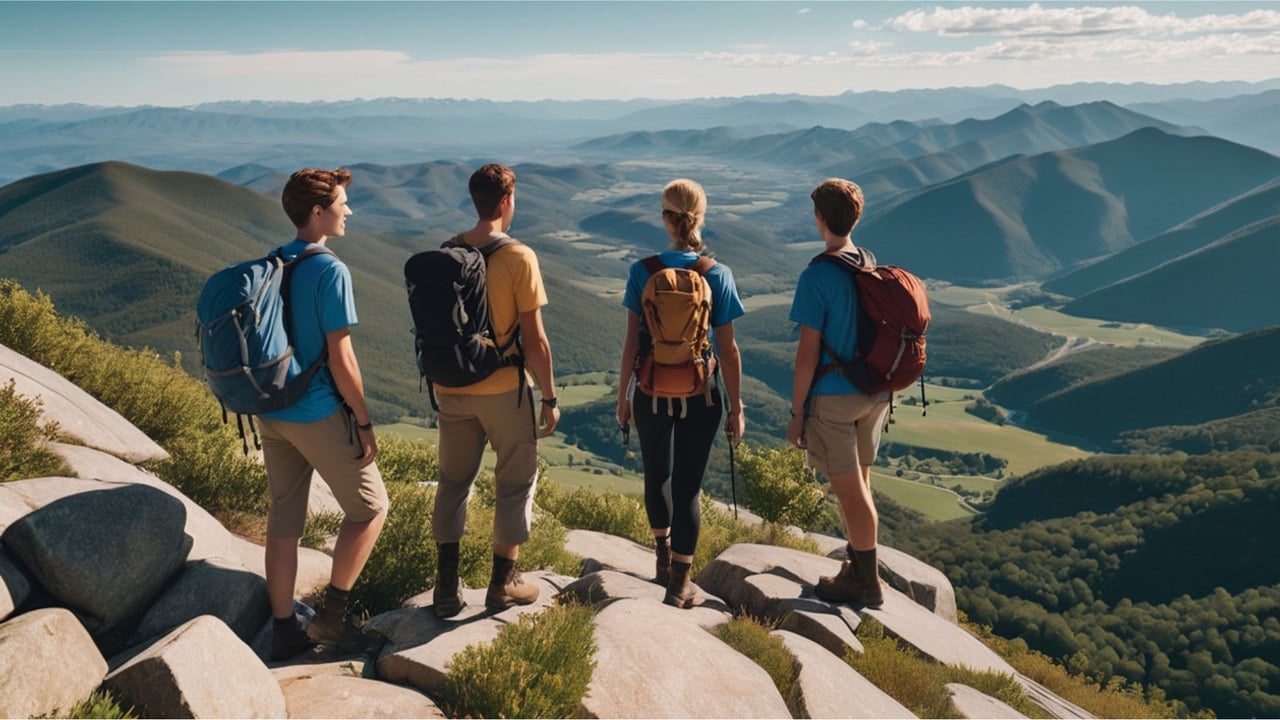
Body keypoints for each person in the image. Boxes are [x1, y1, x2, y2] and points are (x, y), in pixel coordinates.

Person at [260, 167, 389, 659]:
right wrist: (362, 418)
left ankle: (283, 628)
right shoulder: (330, 269)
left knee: (284, 520)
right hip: (316, 410)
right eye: (341, 203)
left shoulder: (275, 261)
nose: (348, 210)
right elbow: (343, 358)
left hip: (272, 410)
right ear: (318, 211)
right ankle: (332, 618)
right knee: (372, 508)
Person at [430, 163, 560, 617]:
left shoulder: (449, 250)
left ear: (475, 199)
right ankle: (503, 584)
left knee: (453, 482)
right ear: (506, 201)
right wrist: (549, 396)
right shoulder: (518, 257)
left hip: (449, 387)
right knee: (514, 482)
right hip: (503, 388)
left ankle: (446, 589)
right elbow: (535, 339)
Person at [615, 178, 745, 609]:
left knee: (657, 474)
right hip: (701, 393)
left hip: (650, 389)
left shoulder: (642, 271)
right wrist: (737, 406)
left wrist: (623, 397)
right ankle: (681, 583)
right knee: (688, 487)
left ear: (665, 218)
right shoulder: (717, 274)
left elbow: (632, 343)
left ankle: (660, 557)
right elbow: (727, 348)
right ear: (699, 217)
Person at [787, 178, 890, 608]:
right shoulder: (867, 261)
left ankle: (866, 584)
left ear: (821, 219)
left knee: (850, 494)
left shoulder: (818, 275)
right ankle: (858, 567)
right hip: (875, 393)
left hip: (834, 398)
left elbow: (807, 355)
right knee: (862, 486)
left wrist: (797, 414)